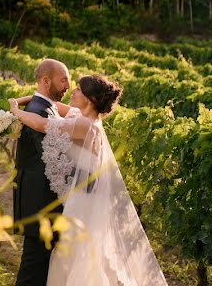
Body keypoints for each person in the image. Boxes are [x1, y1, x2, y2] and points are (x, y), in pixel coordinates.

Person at [9, 74, 167, 285]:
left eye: (78, 90)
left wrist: (15, 111)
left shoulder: (87, 126)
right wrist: (19, 100)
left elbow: (39, 124)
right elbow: (51, 103)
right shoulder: (79, 114)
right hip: (80, 194)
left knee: (75, 254)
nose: (72, 92)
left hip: (83, 199)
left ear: (90, 99)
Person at [12, 59, 72, 285]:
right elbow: (56, 160)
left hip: (42, 202)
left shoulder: (42, 106)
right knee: (33, 271)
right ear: (46, 81)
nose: (68, 84)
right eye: (63, 79)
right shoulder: (39, 111)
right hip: (41, 205)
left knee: (40, 269)